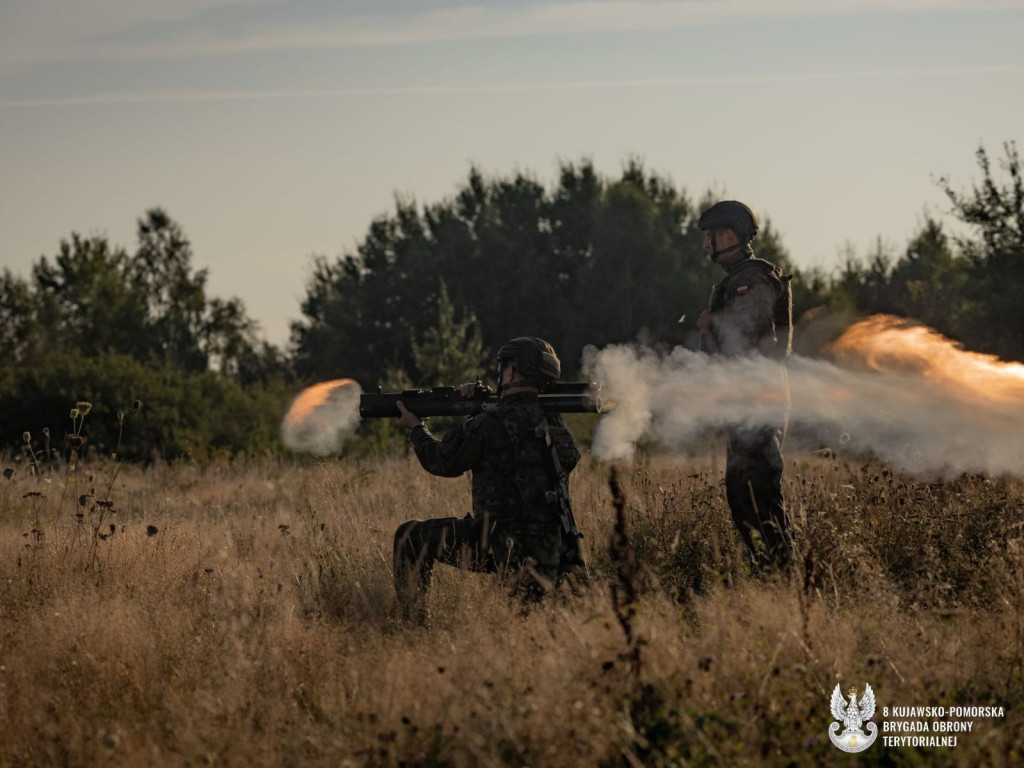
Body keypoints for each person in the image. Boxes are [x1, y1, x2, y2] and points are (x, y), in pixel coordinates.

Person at [392, 337, 583, 616]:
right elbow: (562, 453)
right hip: (553, 545)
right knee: (534, 624)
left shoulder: (489, 424)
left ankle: (409, 624)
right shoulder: (554, 422)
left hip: (497, 543)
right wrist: (484, 403)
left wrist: (416, 429)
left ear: (511, 371)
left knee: (409, 536)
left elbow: (441, 461)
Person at [695, 200, 794, 571]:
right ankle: (771, 574)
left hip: (758, 404)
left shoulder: (750, 279)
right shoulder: (737, 279)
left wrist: (711, 325)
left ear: (731, 236)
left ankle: (784, 577)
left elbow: (749, 338)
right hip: (745, 406)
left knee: (759, 498)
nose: (707, 246)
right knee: (742, 499)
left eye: (712, 237)